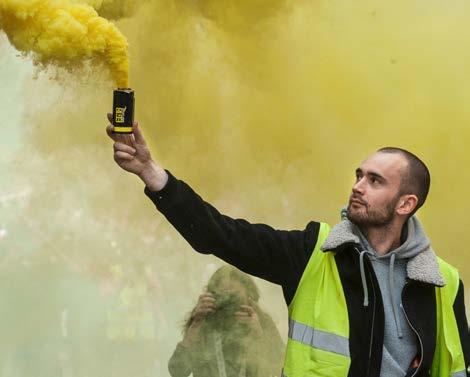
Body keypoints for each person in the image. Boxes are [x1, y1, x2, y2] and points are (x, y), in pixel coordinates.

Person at [106, 114, 470, 377]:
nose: (358, 186)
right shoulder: (313, 253)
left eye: (375, 181)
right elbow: (219, 234)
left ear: (405, 204)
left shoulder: (444, 283)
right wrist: (152, 173)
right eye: (359, 175)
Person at [168, 265, 285, 377]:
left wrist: (258, 335)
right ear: (211, 297)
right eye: (223, 296)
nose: (229, 302)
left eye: (234, 296)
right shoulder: (204, 323)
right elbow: (177, 371)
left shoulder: (260, 321)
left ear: (250, 297)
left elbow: (280, 368)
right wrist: (194, 326)